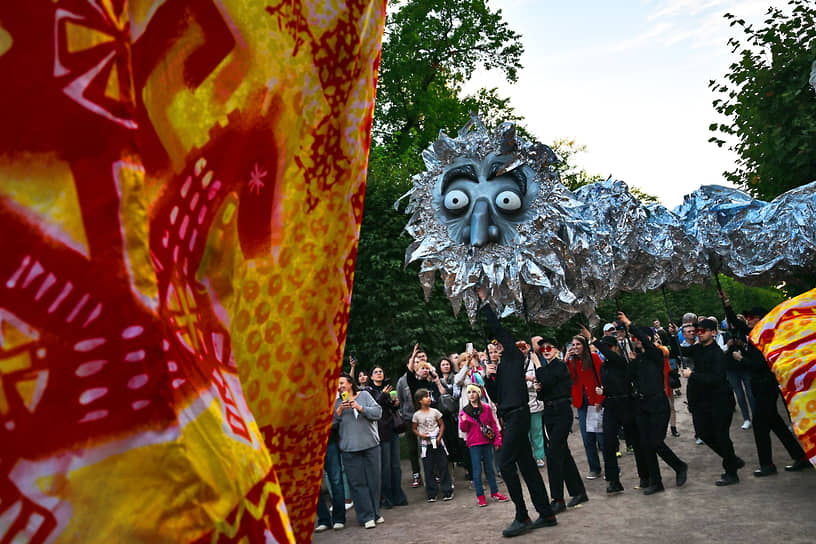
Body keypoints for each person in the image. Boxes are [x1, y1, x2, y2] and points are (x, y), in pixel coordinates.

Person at [478, 287, 557, 538]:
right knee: (527, 466)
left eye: (499, 345)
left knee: (504, 462)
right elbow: (497, 398)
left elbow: (498, 329)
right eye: (494, 348)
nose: (496, 347)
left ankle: (522, 515)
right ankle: (546, 513)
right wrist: (488, 378)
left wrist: (484, 302)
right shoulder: (501, 368)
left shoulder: (513, 356)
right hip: (510, 415)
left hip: (519, 415)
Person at [718, 291, 811, 476]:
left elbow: (761, 365)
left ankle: (767, 465)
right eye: (748, 317)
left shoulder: (767, 338)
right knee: (775, 423)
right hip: (759, 386)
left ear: (761, 319)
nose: (748, 320)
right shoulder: (755, 333)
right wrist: (726, 303)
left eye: (752, 317)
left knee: (760, 425)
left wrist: (741, 358)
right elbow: (736, 324)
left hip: (766, 385)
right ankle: (800, 456)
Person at [617, 314, 688, 495]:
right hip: (641, 405)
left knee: (656, 442)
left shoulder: (656, 354)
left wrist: (629, 324)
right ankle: (656, 482)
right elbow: (628, 379)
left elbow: (646, 342)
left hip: (657, 403)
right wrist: (631, 363)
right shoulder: (637, 359)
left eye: (638, 338)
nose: (636, 341)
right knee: (645, 444)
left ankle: (679, 466)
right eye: (633, 339)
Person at [579, 325, 648, 494]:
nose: (607, 350)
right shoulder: (603, 366)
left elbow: (622, 381)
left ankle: (645, 475)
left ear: (616, 348)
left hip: (626, 403)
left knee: (635, 441)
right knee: (608, 444)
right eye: (605, 347)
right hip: (610, 405)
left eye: (610, 347)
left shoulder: (620, 361)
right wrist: (603, 392)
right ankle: (613, 480)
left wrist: (592, 339)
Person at [678, 319, 745, 486]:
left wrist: (692, 375)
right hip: (704, 402)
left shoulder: (717, 353)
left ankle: (731, 472)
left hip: (720, 400)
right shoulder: (698, 348)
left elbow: (716, 379)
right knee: (703, 433)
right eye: (697, 330)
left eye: (704, 330)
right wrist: (674, 333)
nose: (699, 333)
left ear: (713, 333)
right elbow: (681, 350)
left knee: (722, 436)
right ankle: (732, 459)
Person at [533, 336, 587, 512]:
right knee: (563, 451)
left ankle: (557, 499)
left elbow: (549, 381)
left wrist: (538, 366)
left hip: (562, 412)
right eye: (542, 349)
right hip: (549, 413)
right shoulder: (547, 368)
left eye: (549, 348)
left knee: (554, 453)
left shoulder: (559, 366)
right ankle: (578, 491)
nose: (546, 351)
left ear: (556, 350)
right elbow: (545, 390)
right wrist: (539, 389)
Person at [333, 373, 383, 529]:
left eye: (342, 383)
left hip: (371, 446)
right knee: (357, 483)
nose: (339, 386)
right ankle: (366, 517)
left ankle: (375, 513)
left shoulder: (365, 395)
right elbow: (329, 425)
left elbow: (378, 413)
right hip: (350, 449)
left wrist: (360, 408)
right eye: (337, 385)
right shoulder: (336, 403)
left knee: (374, 482)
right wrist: (339, 412)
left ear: (350, 383)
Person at [366, 366, 408, 509]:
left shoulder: (388, 388)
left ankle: (398, 496)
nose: (379, 374)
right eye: (376, 372)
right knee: (385, 466)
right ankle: (386, 498)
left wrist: (395, 404)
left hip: (392, 429)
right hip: (380, 432)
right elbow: (374, 406)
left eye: (381, 371)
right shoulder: (368, 391)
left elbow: (391, 408)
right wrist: (384, 395)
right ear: (371, 376)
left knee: (396, 465)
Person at [459, 383, 509, 507]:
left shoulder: (486, 408)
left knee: (489, 469)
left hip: (487, 441)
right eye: (469, 392)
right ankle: (480, 496)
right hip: (474, 443)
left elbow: (493, 424)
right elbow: (463, 429)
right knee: (476, 471)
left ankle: (495, 492)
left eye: (473, 392)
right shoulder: (464, 411)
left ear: (479, 394)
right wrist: (464, 421)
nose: (471, 395)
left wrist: (497, 440)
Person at [565, 335, 605, 480]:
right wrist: (566, 360)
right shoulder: (572, 362)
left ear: (584, 345)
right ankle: (594, 468)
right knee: (587, 439)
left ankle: (612, 467)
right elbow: (568, 378)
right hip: (581, 404)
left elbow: (602, 379)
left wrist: (600, 399)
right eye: (573, 345)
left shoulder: (594, 358)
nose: (575, 347)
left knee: (601, 438)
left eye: (578, 344)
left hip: (594, 402)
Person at [412, 388, 454, 502]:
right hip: (426, 444)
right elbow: (414, 428)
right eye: (426, 397)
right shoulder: (417, 415)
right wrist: (421, 435)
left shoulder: (435, 412)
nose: (429, 398)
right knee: (428, 468)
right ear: (420, 400)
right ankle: (431, 492)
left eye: (429, 396)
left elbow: (441, 425)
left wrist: (439, 436)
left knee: (443, 466)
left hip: (438, 442)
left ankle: (447, 490)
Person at [315, 398, 346, 532]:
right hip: (310, 445)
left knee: (336, 479)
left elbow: (336, 422)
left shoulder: (326, 398)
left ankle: (339, 518)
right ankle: (323, 519)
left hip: (329, 441)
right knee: (313, 485)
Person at [519, 340, 547, 468]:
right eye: (518, 348)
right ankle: (530, 457)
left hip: (534, 402)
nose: (521, 350)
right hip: (521, 404)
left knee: (537, 431)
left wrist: (527, 381)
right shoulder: (512, 365)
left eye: (523, 347)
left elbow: (537, 380)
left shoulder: (533, 363)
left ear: (527, 348)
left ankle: (540, 456)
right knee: (526, 434)